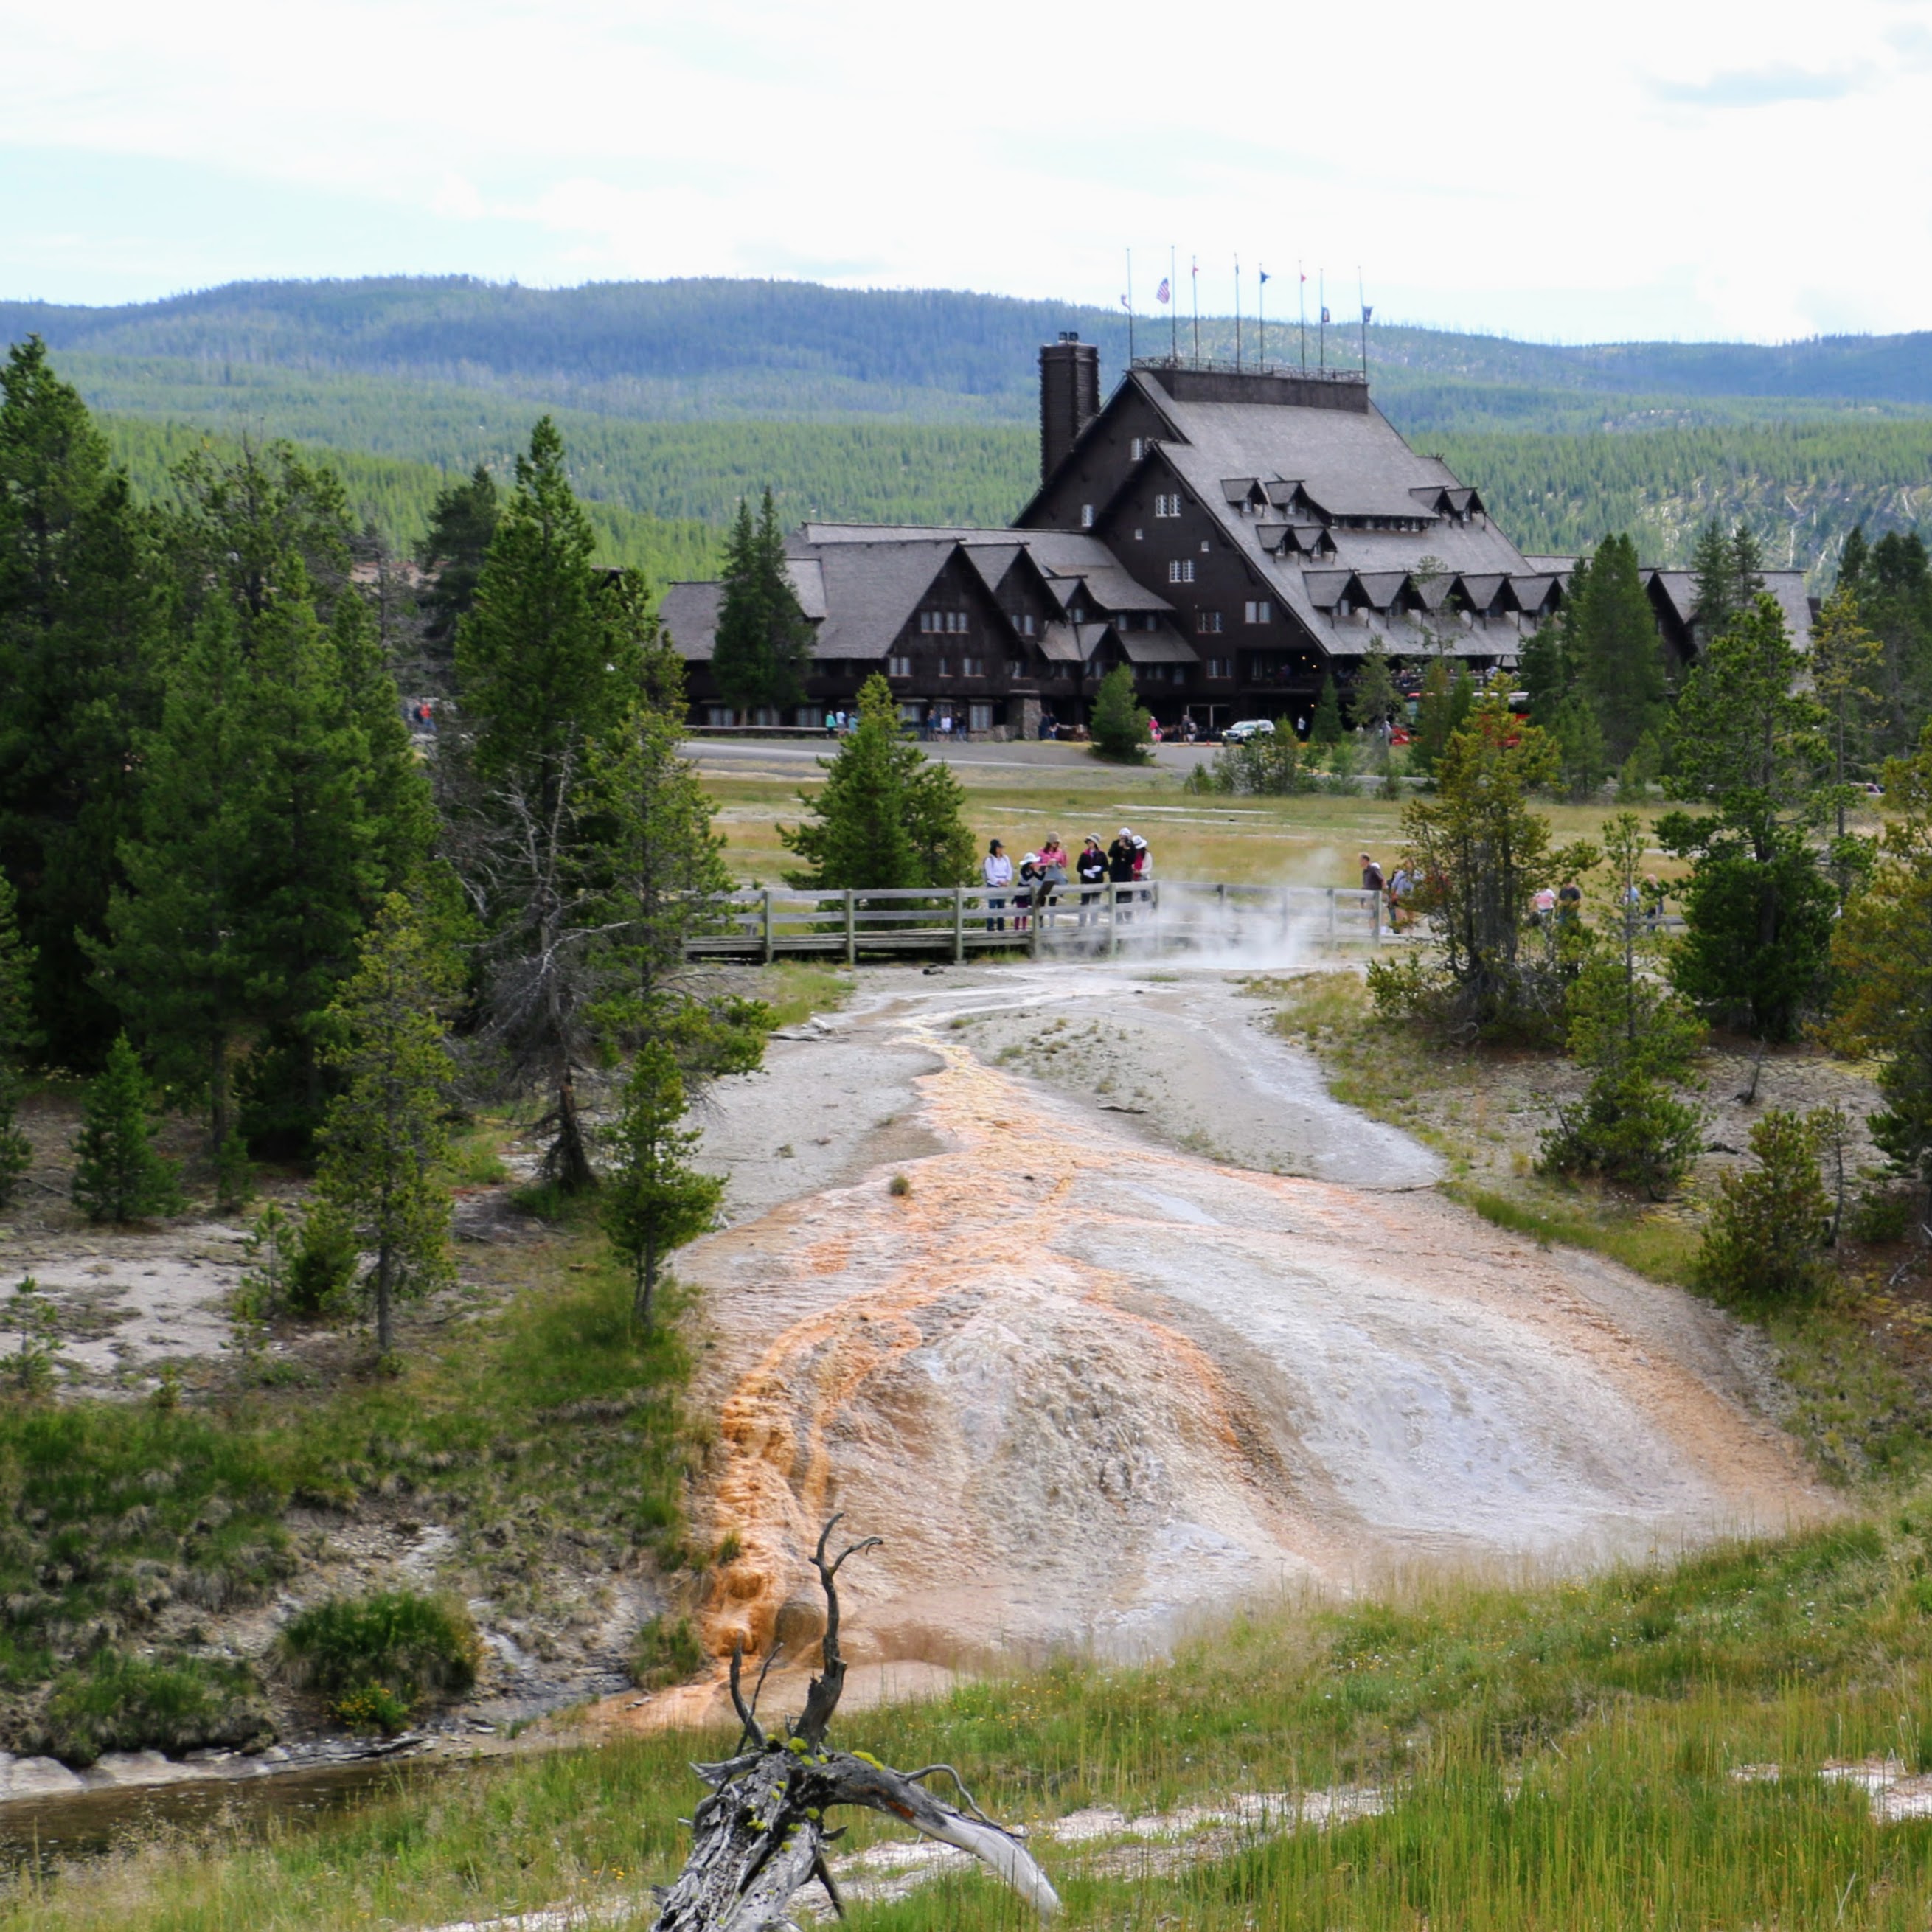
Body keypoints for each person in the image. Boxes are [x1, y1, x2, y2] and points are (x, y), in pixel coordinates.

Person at [1108, 827, 1138, 925]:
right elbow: (1110, 853)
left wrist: (1127, 850)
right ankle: (1118, 921)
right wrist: (1119, 846)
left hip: (1126, 876)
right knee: (1116, 899)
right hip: (1116, 875)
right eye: (1122, 836)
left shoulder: (1131, 845)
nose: (1123, 838)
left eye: (1125, 837)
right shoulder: (1115, 843)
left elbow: (1132, 860)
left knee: (1127, 899)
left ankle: (1129, 920)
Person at [1038, 836, 1068, 928]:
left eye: (1057, 843)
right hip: (1044, 878)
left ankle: (1052, 924)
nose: (1056, 844)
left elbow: (1064, 865)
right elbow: (1036, 864)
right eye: (1054, 842)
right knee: (1042, 901)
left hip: (1055, 879)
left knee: (1053, 902)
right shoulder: (1041, 851)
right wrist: (1046, 864)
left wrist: (1065, 856)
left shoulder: (1060, 852)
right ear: (1049, 843)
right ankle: (1040, 923)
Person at [1077, 835, 1108, 924]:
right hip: (1086, 881)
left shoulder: (1101, 854)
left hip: (1097, 882)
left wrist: (1100, 868)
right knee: (1084, 902)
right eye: (1089, 842)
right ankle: (1082, 923)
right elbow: (1079, 867)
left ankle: (1094, 923)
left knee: (1095, 903)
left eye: (1092, 841)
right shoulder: (1084, 854)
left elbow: (1107, 867)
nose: (1090, 843)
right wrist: (1085, 871)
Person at [983, 838, 1012, 931]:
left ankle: (1001, 926)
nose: (1001, 849)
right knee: (992, 906)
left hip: (1003, 885)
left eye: (1001, 847)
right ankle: (990, 926)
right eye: (999, 847)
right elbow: (990, 875)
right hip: (993, 885)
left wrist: (1007, 880)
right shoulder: (989, 860)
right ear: (994, 848)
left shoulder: (1005, 858)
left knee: (1001, 906)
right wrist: (999, 882)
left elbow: (1009, 870)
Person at [1015, 852, 1040, 932]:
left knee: (1025, 911)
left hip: (1027, 892)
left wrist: (1045, 870)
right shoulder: (1023, 870)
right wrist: (1033, 873)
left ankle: (1024, 928)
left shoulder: (1031, 871)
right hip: (1020, 891)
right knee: (1019, 910)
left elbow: (1040, 878)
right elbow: (1026, 878)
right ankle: (1016, 928)